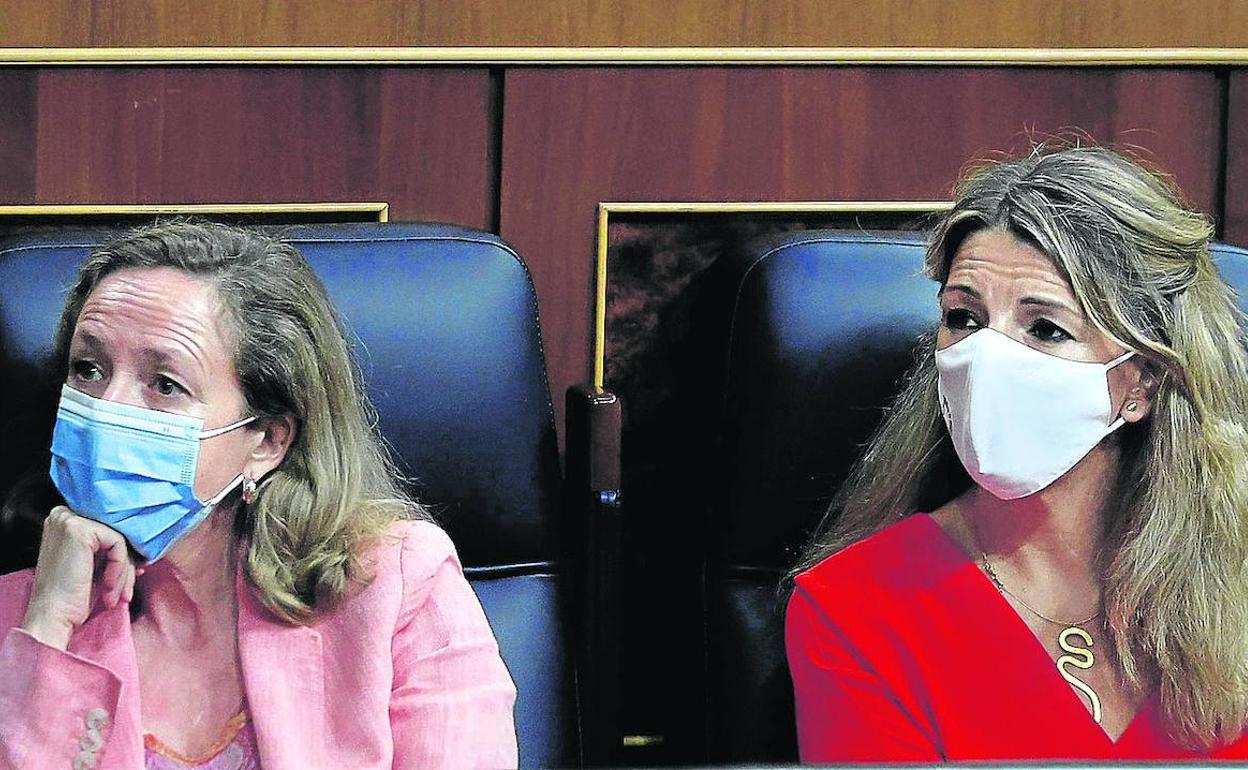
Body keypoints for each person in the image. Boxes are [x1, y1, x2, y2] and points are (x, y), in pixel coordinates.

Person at [786, 144, 1248, 761]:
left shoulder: (1233, 575)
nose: (986, 359)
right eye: (965, 319)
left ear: (1142, 379)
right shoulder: (855, 609)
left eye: (1045, 328)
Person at [0, 222, 518, 769]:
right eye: (88, 369)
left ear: (266, 440)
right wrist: (48, 632)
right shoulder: (21, 617)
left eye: (165, 384)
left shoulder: (397, 588)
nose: (109, 409)